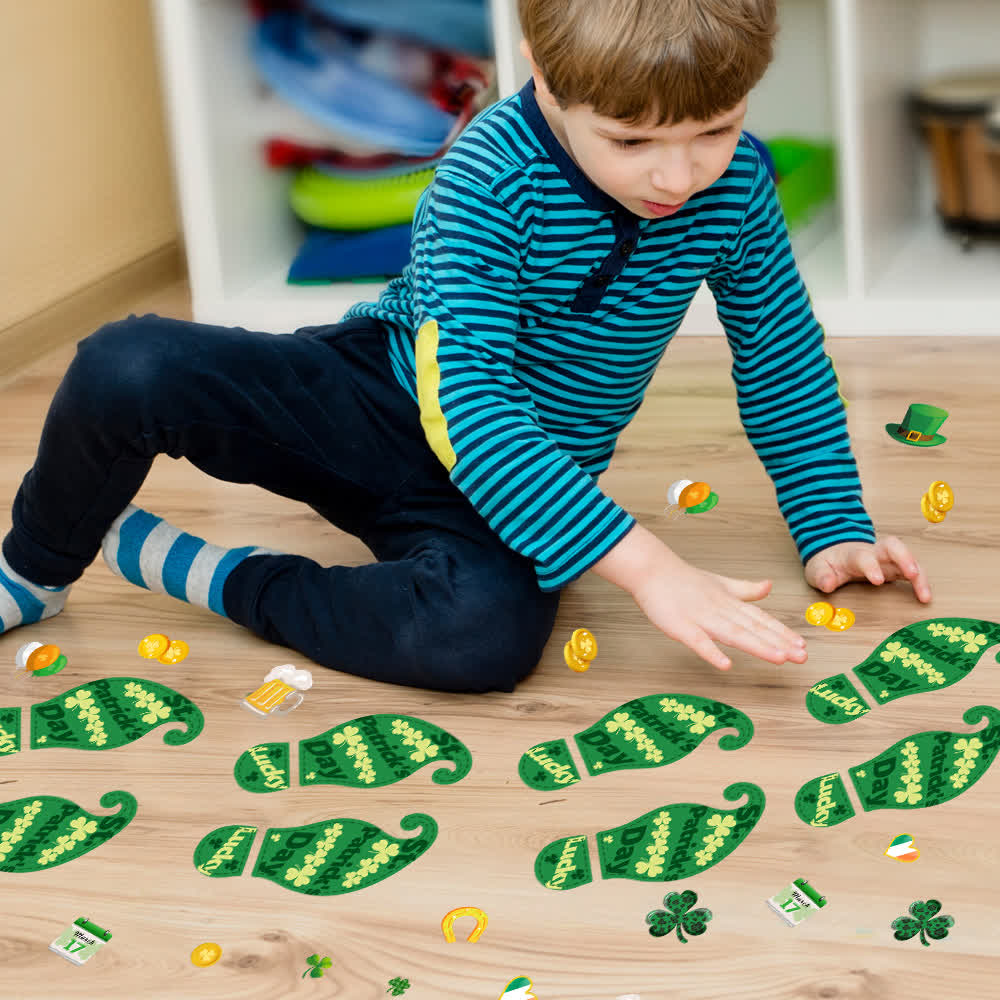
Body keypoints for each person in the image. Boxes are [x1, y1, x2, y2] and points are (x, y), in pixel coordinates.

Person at [0, 0, 930, 692]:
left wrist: (833, 523)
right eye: (633, 139)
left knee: (482, 641)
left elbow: (781, 356)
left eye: (717, 131)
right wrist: (649, 568)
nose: (679, 176)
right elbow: (472, 403)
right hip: (380, 400)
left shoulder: (738, 192)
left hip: (519, 477)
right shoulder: (490, 172)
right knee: (127, 363)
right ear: (544, 72)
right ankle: (36, 566)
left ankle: (217, 574)